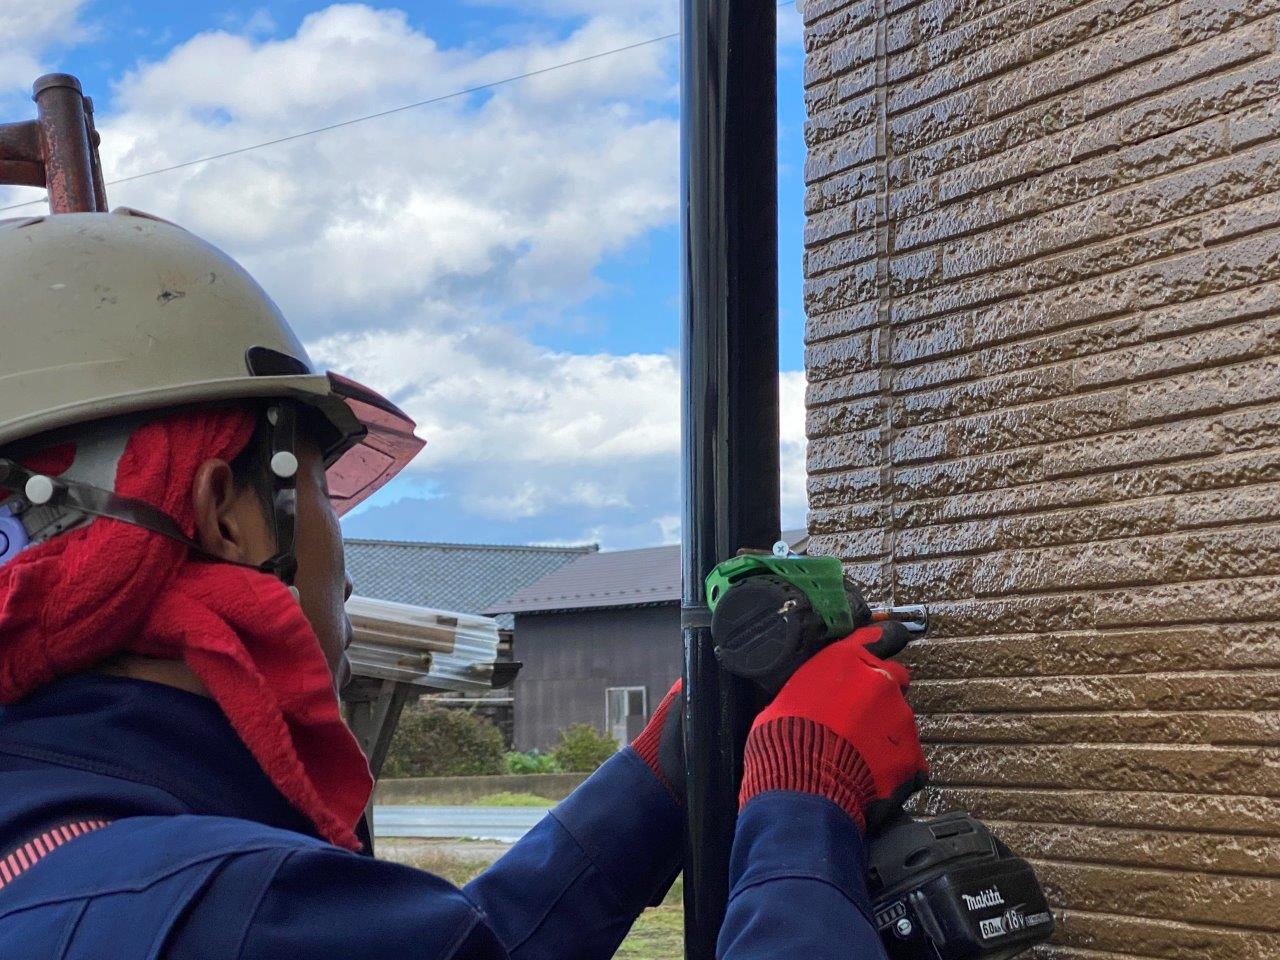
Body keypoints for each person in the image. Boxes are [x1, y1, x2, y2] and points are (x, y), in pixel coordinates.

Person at [0, 208, 928, 959]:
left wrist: (663, 777)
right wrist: (803, 814)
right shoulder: (242, 911)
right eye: (325, 489)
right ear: (227, 515)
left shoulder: (78, 861)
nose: (345, 558)